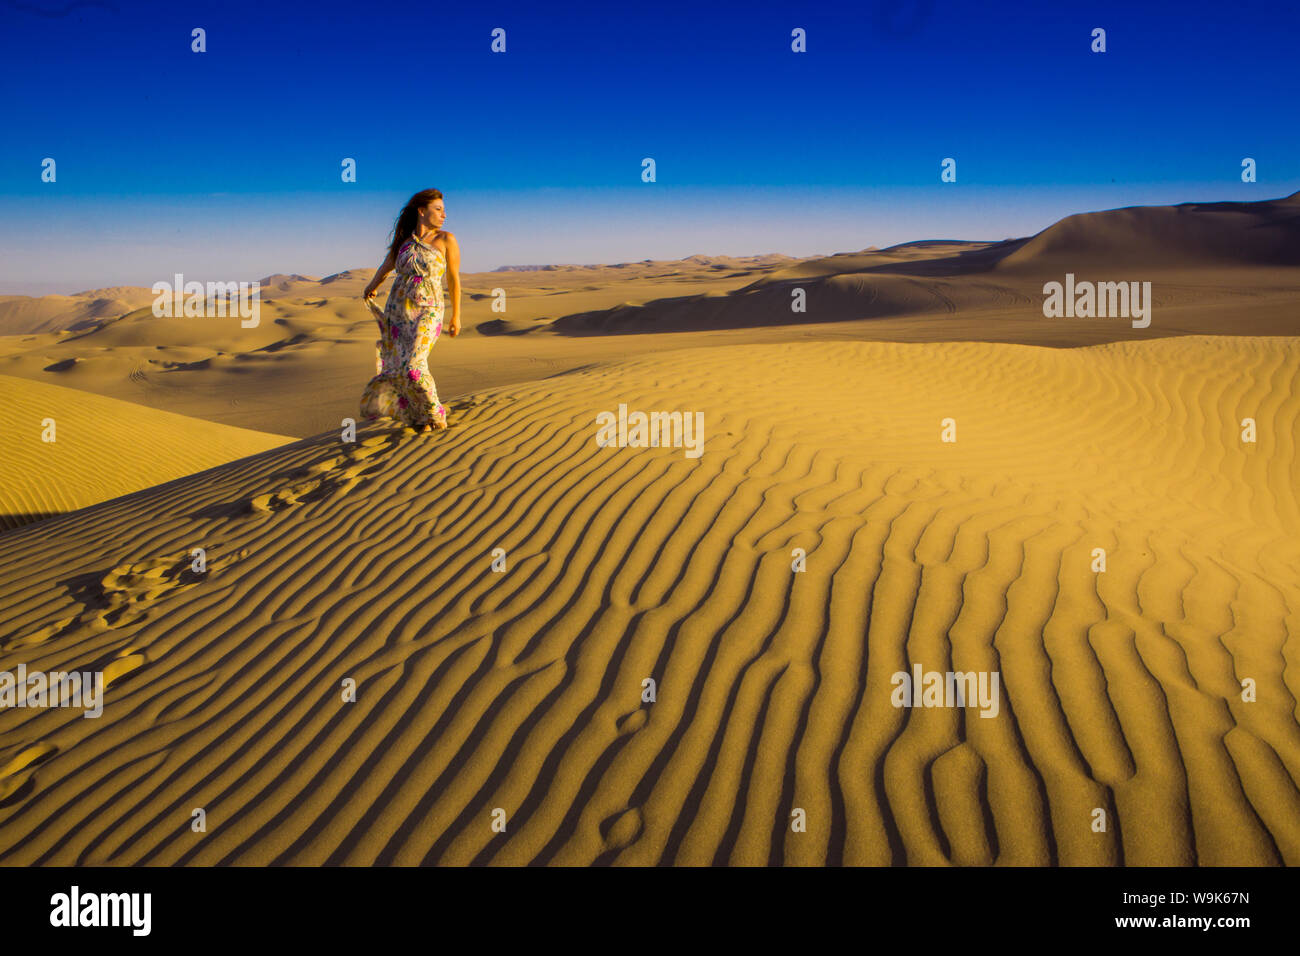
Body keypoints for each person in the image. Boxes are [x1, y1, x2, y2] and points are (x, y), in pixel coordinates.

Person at [359, 188, 462, 432]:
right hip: (399, 310)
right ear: (421, 211)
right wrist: (372, 286)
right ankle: (419, 417)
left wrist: (457, 315)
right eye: (438, 210)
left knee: (415, 365)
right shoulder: (405, 243)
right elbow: (387, 266)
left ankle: (436, 414)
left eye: (443, 210)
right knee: (400, 367)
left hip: (429, 309)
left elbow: (453, 280)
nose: (443, 215)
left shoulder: (447, 239)